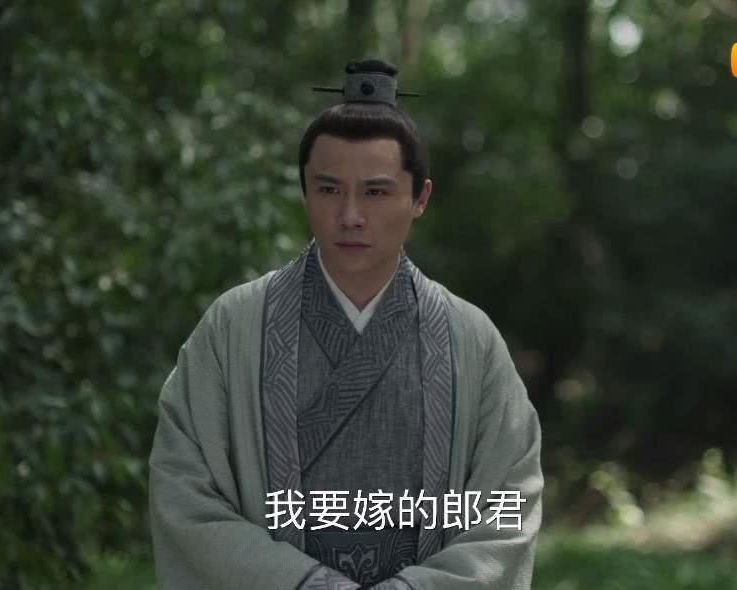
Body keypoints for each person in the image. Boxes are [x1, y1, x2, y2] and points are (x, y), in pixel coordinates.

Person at [148, 58, 543, 590]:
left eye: (376, 192)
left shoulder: (470, 339)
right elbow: (184, 491)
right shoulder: (232, 328)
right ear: (304, 191)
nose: (350, 215)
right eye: (329, 189)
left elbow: (508, 504)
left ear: (420, 198)